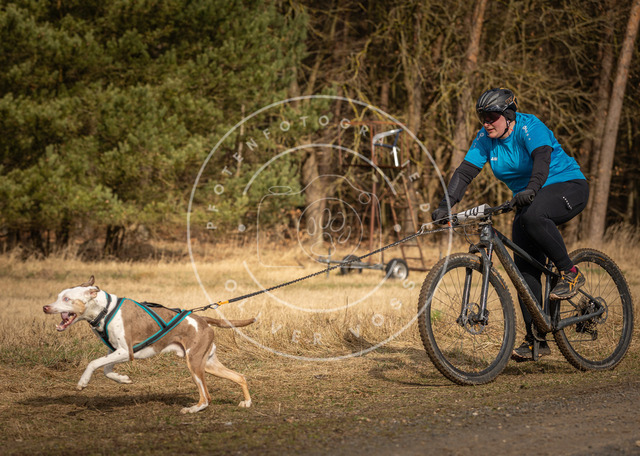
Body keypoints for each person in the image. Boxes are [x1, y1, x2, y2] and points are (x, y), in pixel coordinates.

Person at [431, 88, 589, 361]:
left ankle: (570, 272)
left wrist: (532, 188)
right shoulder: (485, 139)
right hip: (528, 199)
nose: (486, 123)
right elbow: (465, 172)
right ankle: (536, 340)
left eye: (492, 117)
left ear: (509, 115)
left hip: (567, 185)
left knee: (533, 216)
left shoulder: (530, 127)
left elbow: (542, 160)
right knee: (524, 271)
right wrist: (446, 205)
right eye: (482, 118)